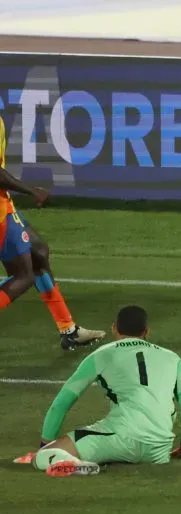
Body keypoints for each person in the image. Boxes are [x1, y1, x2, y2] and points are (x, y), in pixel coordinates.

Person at [26, 305, 181, 477]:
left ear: (114, 329)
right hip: (159, 448)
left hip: (118, 439)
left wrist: (45, 445)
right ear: (147, 332)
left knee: (43, 457)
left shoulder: (101, 355)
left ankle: (81, 467)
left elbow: (61, 404)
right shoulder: (172, 358)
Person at [0, 117, 105, 350]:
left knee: (38, 252)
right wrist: (31, 191)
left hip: (4, 205)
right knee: (23, 275)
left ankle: (69, 330)